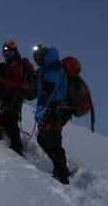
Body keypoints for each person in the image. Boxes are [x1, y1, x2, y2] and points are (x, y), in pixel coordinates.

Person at [33, 45, 72, 184]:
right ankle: (62, 170)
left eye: (38, 58)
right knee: (52, 140)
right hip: (60, 109)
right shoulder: (53, 67)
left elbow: (49, 88)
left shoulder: (53, 68)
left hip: (56, 109)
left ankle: (62, 175)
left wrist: (42, 107)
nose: (37, 60)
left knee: (46, 140)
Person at [0, 40, 34, 156]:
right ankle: (15, 144)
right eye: (5, 52)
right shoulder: (11, 64)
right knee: (5, 117)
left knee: (10, 119)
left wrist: (2, 85)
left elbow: (14, 80)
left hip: (14, 95)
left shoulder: (18, 63)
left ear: (14, 51)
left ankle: (17, 147)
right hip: (11, 95)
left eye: (8, 51)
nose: (6, 54)